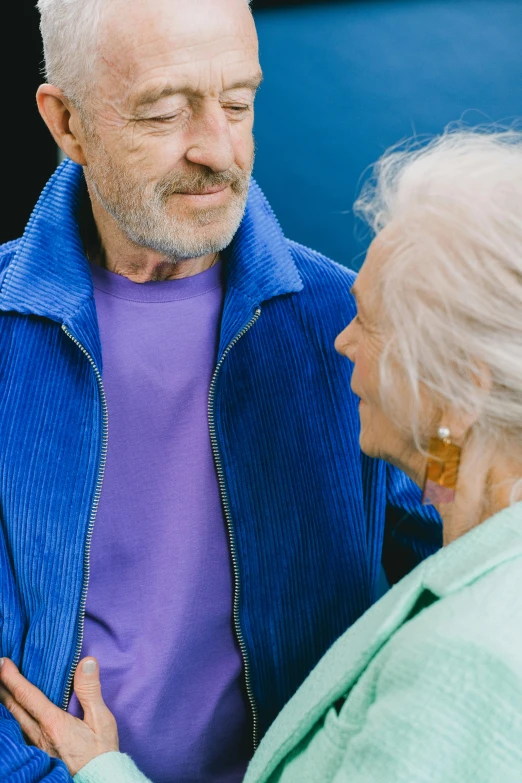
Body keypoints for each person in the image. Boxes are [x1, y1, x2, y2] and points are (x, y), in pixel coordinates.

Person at [0, 0, 440, 781]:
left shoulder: (352, 324)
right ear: (66, 124)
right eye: (166, 112)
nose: (219, 149)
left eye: (239, 103)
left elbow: (471, 578)